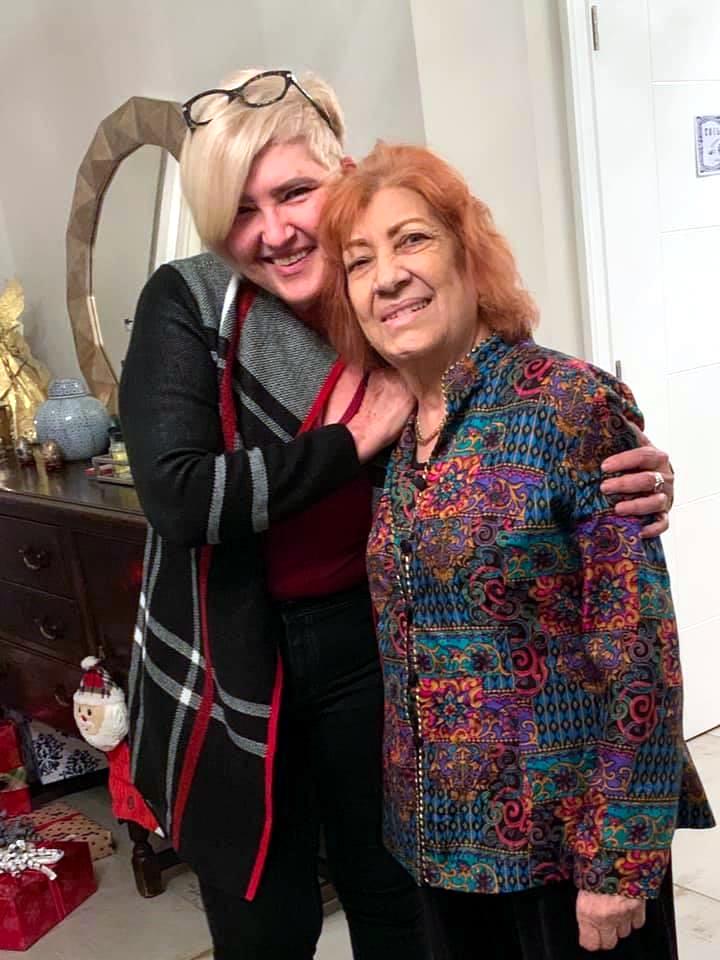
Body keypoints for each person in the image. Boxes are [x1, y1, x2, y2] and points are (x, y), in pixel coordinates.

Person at [119, 69, 676, 959]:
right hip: (239, 650)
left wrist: (622, 476)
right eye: (241, 211)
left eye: (294, 193)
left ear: (340, 177)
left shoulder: (427, 342)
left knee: (391, 906)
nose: (273, 230)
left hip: (378, 652)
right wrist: (351, 441)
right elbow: (178, 496)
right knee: (265, 921)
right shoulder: (197, 303)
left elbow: (539, 463)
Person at [318, 141, 714, 959]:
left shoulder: (567, 403)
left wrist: (619, 862)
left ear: (469, 254)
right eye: (359, 261)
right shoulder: (397, 436)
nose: (386, 276)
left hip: (565, 857)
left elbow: (640, 648)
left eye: (412, 239)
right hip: (440, 846)